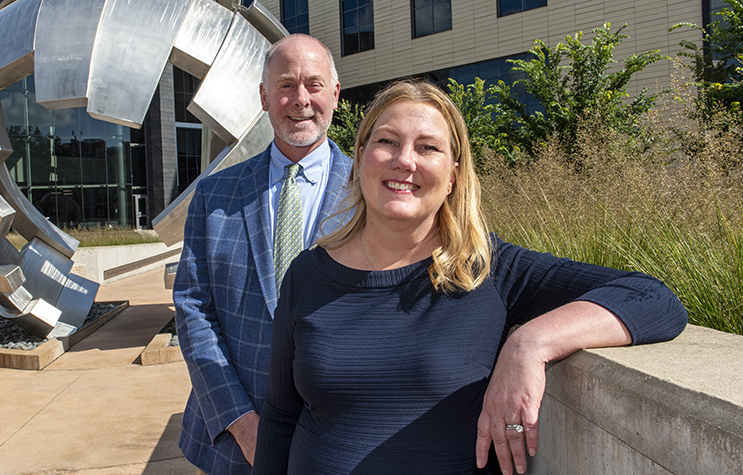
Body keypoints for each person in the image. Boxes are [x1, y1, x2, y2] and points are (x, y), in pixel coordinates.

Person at [251, 80, 688, 475]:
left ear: (453, 177)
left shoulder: (490, 269)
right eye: (387, 141)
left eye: (428, 148)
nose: (404, 160)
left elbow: (654, 299)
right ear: (360, 157)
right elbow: (280, 414)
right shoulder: (307, 273)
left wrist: (528, 344)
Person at [173, 34, 351, 475]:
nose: (300, 99)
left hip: (340, 439)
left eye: (313, 84)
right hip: (233, 444)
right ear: (264, 97)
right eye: (286, 85)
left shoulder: (371, 193)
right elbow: (193, 309)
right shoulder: (214, 195)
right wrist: (239, 421)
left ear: (335, 93)